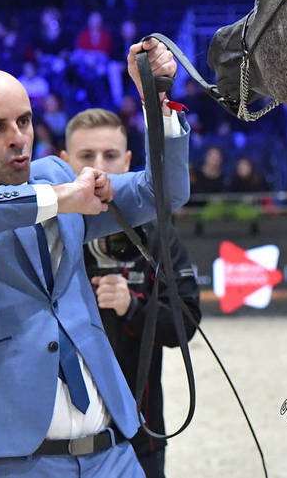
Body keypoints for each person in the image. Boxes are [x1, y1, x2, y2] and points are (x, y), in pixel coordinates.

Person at [0, 37, 189, 476]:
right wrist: (56, 198)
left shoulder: (54, 175)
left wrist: (156, 103)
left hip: (114, 450)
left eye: (25, 121)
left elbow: (162, 192)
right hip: (17, 459)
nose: (19, 138)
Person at [60, 108, 201, 478]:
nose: (98, 168)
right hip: (59, 440)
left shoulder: (160, 235)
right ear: (64, 164)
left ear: (128, 162)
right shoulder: (48, 236)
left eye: (109, 156)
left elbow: (185, 326)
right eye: (86, 157)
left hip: (142, 434)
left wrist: (132, 307)